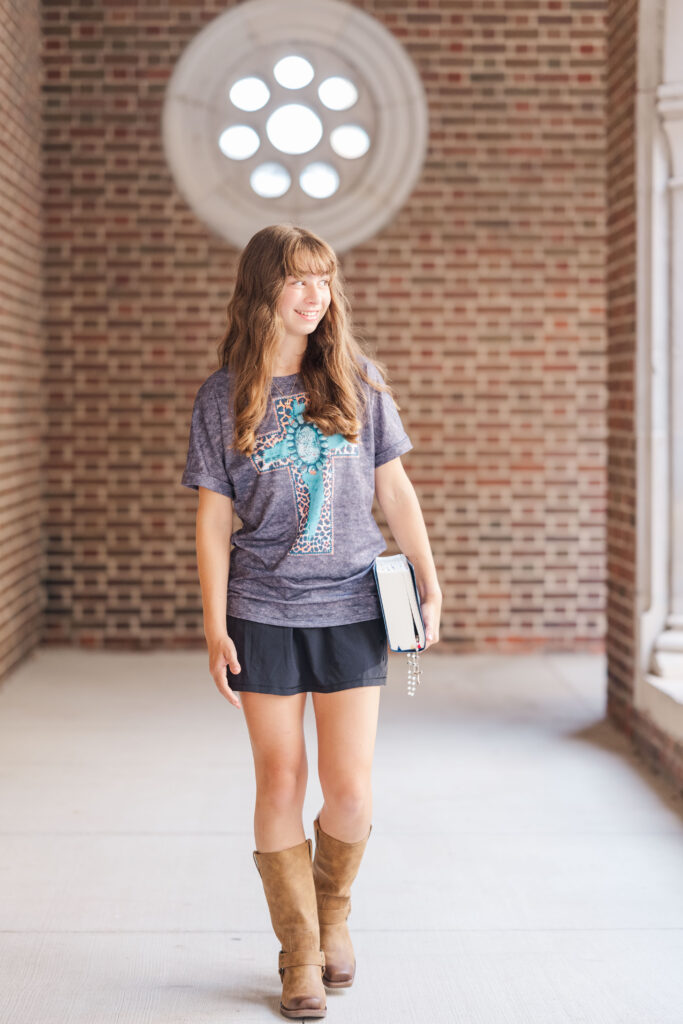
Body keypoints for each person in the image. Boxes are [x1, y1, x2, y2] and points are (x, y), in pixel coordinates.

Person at [181, 224, 442, 1020]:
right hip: (261, 611)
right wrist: (212, 622)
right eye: (297, 279)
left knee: (350, 793)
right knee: (281, 780)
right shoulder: (222, 396)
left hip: (351, 609)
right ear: (263, 289)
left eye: (323, 280)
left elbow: (394, 493)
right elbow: (211, 522)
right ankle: (298, 954)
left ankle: (334, 913)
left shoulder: (357, 380)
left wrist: (430, 585)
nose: (312, 294)